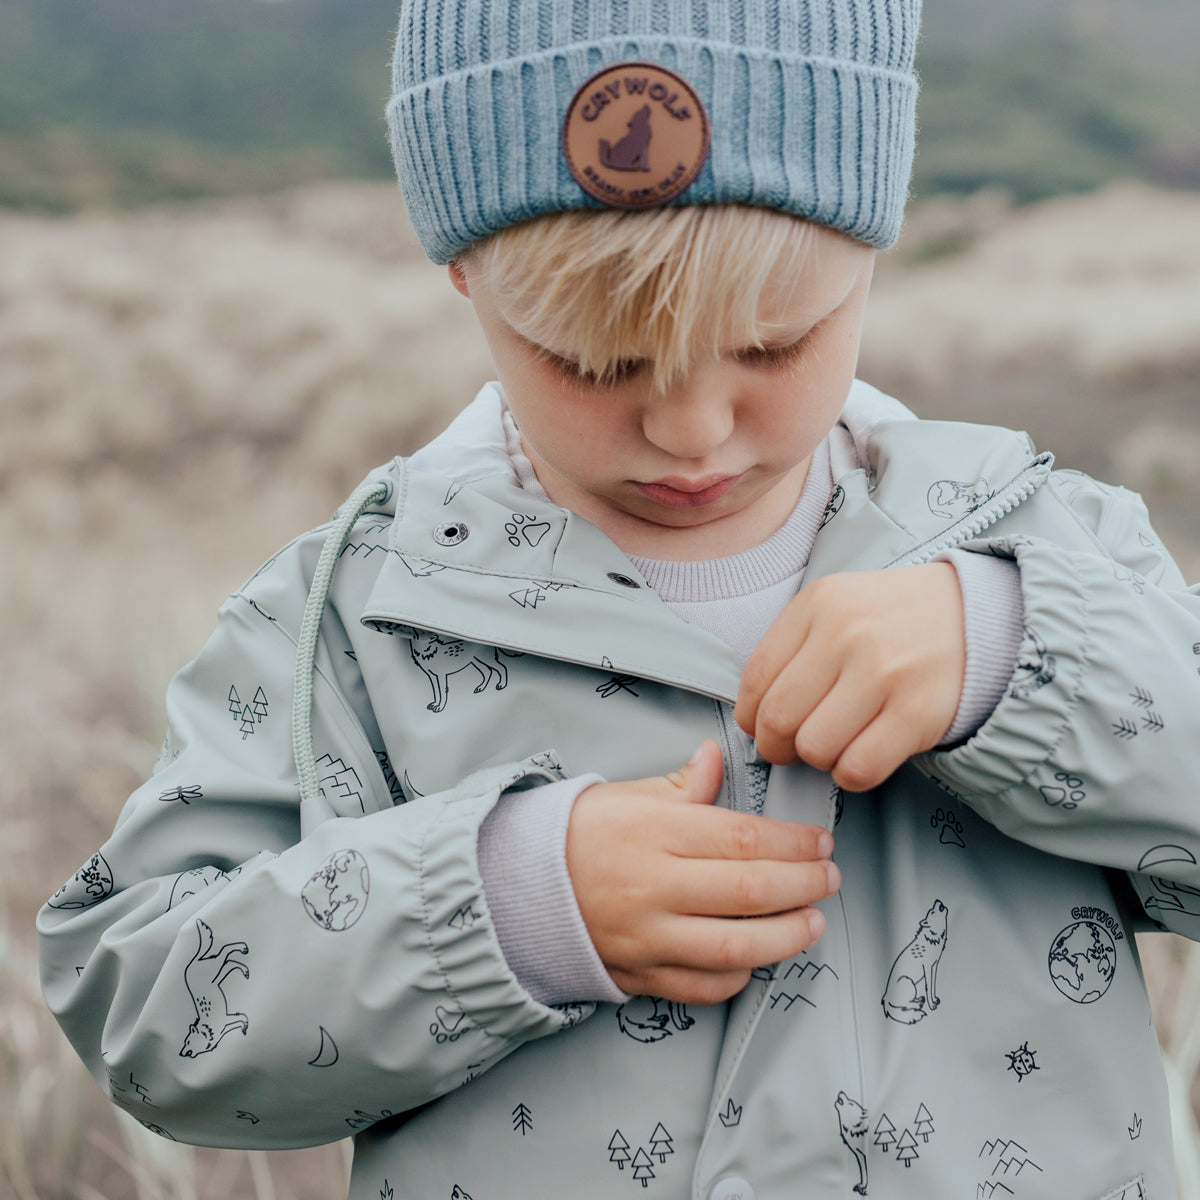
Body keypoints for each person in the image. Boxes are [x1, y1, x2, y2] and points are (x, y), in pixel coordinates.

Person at [38, 1, 1200, 1197]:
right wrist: (503, 906)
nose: (689, 431)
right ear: (463, 276)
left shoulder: (1044, 546)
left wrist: (1026, 659)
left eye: (773, 345)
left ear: (875, 242)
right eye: (598, 363)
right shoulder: (347, 623)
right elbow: (144, 1009)